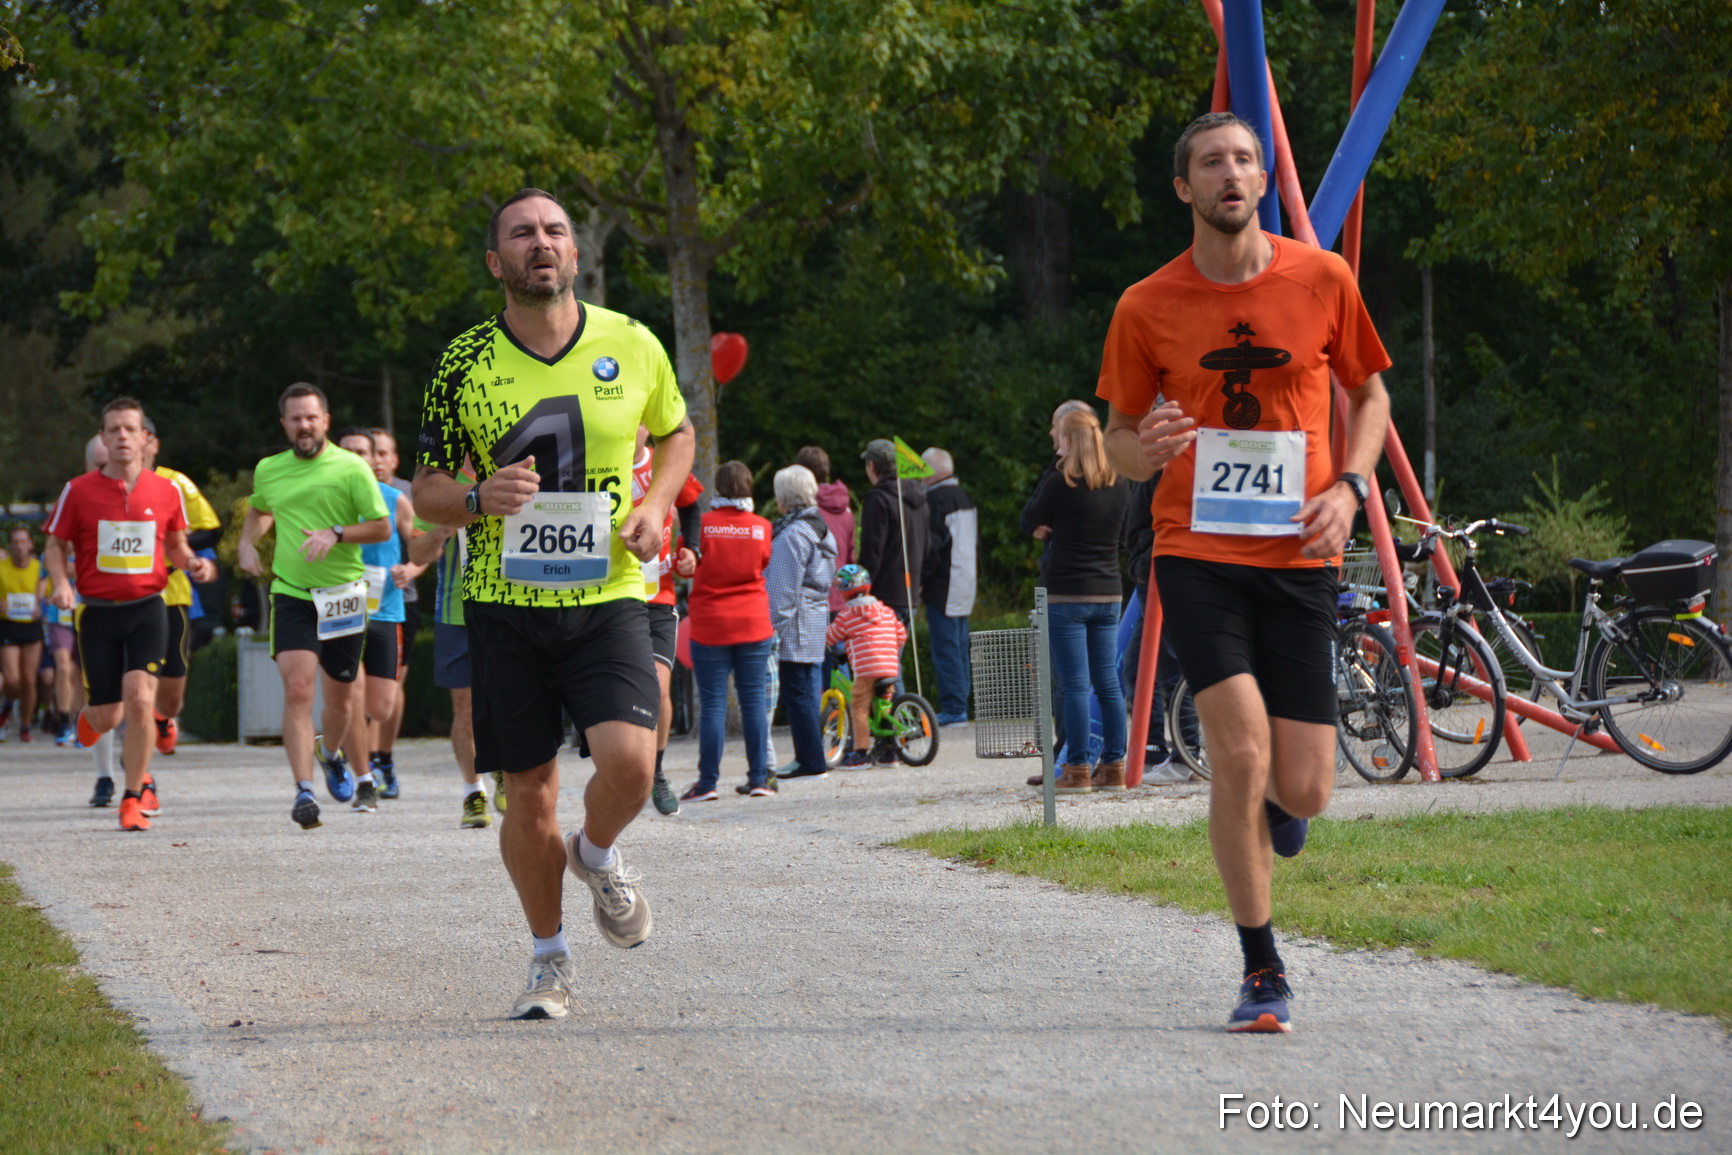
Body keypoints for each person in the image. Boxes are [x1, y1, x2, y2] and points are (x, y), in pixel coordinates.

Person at [1098, 111, 1392, 1033]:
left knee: (1301, 786)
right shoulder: (1145, 305)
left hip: (1303, 550)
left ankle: (1280, 806)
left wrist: (1351, 485)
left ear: (1263, 181)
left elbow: (1370, 391)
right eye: (1212, 163)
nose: (1232, 173)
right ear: (1183, 188)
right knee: (1240, 750)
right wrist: (1143, 446)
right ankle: (1261, 967)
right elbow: (1117, 442)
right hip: (1196, 552)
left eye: (1245, 160)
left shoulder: (1322, 278)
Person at [413, 187, 694, 1021]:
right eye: (523, 234)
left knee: (632, 762)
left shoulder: (632, 342)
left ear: (574, 254)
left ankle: (597, 853)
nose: (543, 243)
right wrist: (475, 498)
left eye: (556, 231)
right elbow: (425, 489)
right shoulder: (462, 360)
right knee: (527, 789)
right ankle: (549, 960)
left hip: (608, 592)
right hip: (502, 602)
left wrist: (655, 505)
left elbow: (676, 433)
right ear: (496, 262)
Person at [43, 398, 216, 831]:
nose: (122, 436)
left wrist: (193, 562)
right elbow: (54, 545)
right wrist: (62, 584)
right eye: (113, 429)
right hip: (97, 614)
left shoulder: (166, 491)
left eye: (130, 429)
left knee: (141, 700)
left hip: (147, 609)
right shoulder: (78, 490)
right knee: (109, 715)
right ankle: (87, 718)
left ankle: (133, 797)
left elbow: (176, 544)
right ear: (103, 438)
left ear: (145, 438)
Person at [239, 383, 392, 827]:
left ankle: (331, 754)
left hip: (343, 595)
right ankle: (304, 792)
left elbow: (381, 529)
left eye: (311, 417)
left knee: (342, 702)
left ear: (324, 420)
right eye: (295, 419)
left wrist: (337, 533)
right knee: (299, 688)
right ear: (284, 424)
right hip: (291, 593)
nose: (303, 426)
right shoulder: (269, 469)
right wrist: (248, 544)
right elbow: (260, 508)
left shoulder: (351, 469)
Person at [1020, 409, 1130, 793]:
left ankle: (1078, 768)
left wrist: (1047, 529)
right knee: (1108, 683)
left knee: (1075, 685)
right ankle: (1115, 766)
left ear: (1067, 440)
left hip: (1066, 593)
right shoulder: (1119, 483)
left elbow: (1031, 516)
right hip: (1109, 592)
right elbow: (1121, 541)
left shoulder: (1060, 481)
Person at [407, 461, 501, 828]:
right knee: (466, 710)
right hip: (456, 612)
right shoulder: (441, 483)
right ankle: (473, 791)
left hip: (510, 608)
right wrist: (440, 533)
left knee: (509, 700)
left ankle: (508, 770)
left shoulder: (515, 467)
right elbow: (416, 553)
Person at [679, 460, 775, 801]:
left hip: (711, 624)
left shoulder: (701, 526)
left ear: (718, 487)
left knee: (714, 705)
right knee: (752, 703)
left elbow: (685, 566)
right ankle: (760, 779)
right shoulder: (762, 526)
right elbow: (762, 562)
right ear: (749, 486)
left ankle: (707, 783)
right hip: (753, 622)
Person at [335, 427, 418, 803]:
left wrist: (413, 568)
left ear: (374, 459)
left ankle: (334, 747)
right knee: (351, 692)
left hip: (385, 609)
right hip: (340, 607)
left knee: (380, 706)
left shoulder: (395, 499)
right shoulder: (328, 500)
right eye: (347, 451)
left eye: (362, 452)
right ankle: (363, 779)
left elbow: (420, 538)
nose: (356, 458)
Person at [630, 425, 705, 815]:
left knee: (659, 687)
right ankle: (622, 768)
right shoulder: (597, 458)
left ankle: (656, 774)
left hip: (657, 595)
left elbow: (692, 506)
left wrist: (691, 548)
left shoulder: (664, 461)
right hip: (610, 595)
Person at [141, 421, 223, 757]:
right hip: (125, 596)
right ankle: (138, 752)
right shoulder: (106, 486)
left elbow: (211, 530)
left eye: (140, 435)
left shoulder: (175, 482)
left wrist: (173, 544)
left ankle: (163, 716)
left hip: (170, 593)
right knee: (136, 682)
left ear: (154, 444)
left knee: (172, 690)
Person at [766, 464, 837, 781]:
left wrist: (770, 631)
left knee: (797, 692)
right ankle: (813, 757)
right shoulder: (821, 527)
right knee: (808, 689)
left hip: (795, 624)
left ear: (784, 499)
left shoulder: (791, 534)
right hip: (816, 618)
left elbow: (781, 591)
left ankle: (809, 760)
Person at [367, 427, 426, 790]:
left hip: (400, 602)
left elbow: (427, 544)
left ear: (394, 459)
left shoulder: (406, 494)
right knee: (356, 688)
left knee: (392, 687)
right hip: (354, 600)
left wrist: (411, 569)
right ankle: (364, 762)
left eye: (383, 453)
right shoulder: (348, 489)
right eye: (369, 453)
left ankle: (384, 759)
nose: (375, 460)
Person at [855, 438, 926, 675]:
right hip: (910, 592)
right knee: (892, 663)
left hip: (884, 595)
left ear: (872, 466)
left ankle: (900, 711)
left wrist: (859, 591)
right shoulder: (919, 499)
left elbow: (872, 552)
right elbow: (927, 546)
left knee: (883, 669)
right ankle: (903, 710)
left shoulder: (878, 499)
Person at [824, 564, 906, 768]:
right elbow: (901, 635)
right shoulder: (886, 611)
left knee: (859, 708)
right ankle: (889, 752)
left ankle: (861, 753)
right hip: (890, 666)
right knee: (883, 706)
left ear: (843, 593)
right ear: (868, 587)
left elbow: (831, 637)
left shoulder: (846, 616)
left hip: (866, 671)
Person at [919, 448, 976, 727]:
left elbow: (931, 548)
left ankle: (954, 708)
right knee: (960, 646)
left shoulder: (935, 499)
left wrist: (920, 579)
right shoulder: (964, 496)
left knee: (946, 647)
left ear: (931, 473)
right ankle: (960, 705)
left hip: (943, 583)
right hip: (965, 579)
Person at [0, 524, 49, 742]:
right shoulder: (1, 568)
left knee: (29, 679)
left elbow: (50, 594)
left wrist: (41, 605)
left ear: (30, 544)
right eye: (16, 542)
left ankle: (26, 725)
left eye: (23, 541)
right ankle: (9, 704)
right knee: (12, 679)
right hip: (7, 625)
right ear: (10, 546)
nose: (20, 546)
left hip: (31, 626)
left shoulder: (40, 569)